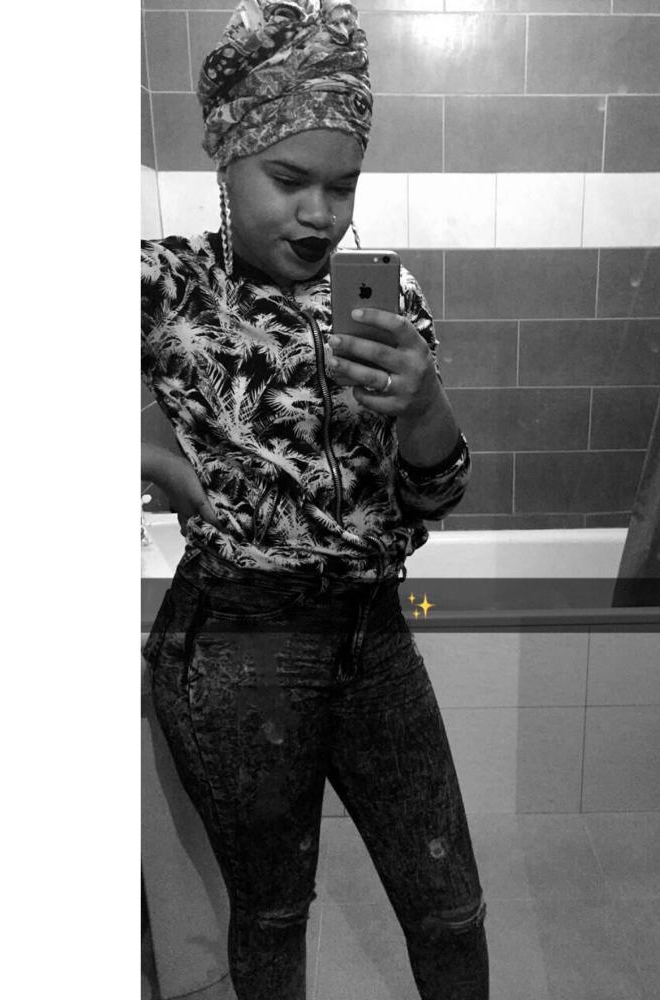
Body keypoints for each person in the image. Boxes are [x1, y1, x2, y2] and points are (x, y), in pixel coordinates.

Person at [140, 2, 489, 998]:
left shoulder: (386, 297)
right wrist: (137, 437)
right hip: (235, 645)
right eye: (288, 179)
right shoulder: (167, 284)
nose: (319, 213)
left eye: (341, 185)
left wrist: (424, 403)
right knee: (272, 912)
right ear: (228, 161)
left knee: (450, 906)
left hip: (373, 635)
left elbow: (433, 496)